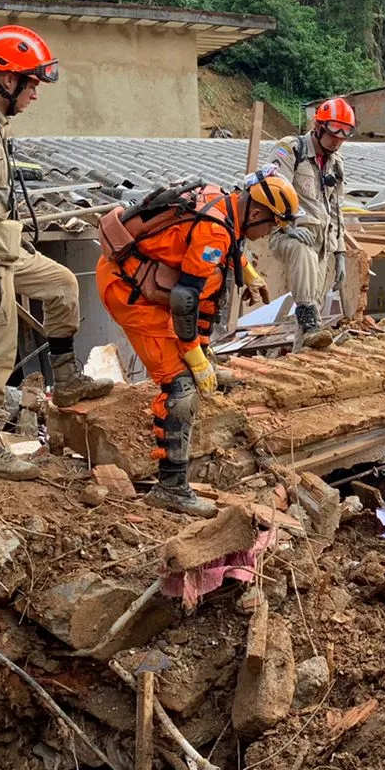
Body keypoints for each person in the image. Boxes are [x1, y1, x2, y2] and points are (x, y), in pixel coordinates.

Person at [0, 25, 114, 481]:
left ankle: (67, 379)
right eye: (32, 84)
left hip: (5, 246)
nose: (36, 95)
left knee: (61, 285)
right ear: (8, 79)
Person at [96, 175, 299, 516]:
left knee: (207, 304)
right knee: (181, 386)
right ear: (257, 212)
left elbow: (215, 249)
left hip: (140, 280)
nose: (268, 234)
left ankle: (196, 360)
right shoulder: (216, 232)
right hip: (128, 292)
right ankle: (171, 486)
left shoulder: (225, 203)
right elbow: (185, 298)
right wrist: (193, 355)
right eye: (271, 225)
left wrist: (248, 272)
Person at [248, 97, 354, 350]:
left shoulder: (336, 163)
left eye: (344, 134)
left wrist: (340, 251)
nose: (337, 139)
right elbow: (272, 189)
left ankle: (304, 352)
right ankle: (307, 316)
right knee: (303, 254)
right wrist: (289, 226)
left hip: (321, 245)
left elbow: (337, 210)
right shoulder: (290, 149)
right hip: (287, 236)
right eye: (333, 132)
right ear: (318, 127)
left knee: (313, 318)